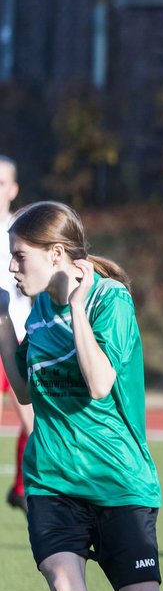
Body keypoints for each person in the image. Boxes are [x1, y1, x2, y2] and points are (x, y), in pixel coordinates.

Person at [0, 201, 163, 591]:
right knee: (64, 589)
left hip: (120, 484)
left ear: (58, 254)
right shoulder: (32, 313)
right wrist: (5, 326)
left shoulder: (112, 302)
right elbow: (28, 394)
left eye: (19, 256)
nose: (12, 268)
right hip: (52, 482)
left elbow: (100, 382)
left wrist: (77, 309)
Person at [0, 156, 34, 512]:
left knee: (34, 421)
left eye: (0, 182)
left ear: (13, 189)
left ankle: (22, 489)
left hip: (22, 337)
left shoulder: (23, 231)